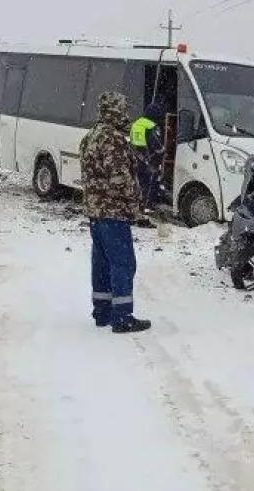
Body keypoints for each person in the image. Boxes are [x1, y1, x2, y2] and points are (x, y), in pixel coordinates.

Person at [80, 91, 152, 334]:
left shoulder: (91, 136)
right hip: (113, 212)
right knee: (122, 263)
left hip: (95, 212)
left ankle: (102, 312)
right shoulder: (113, 139)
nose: (126, 113)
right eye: (123, 108)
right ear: (115, 110)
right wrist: (135, 207)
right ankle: (122, 316)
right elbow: (120, 179)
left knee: (101, 263)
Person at [130, 100, 166, 212]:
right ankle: (147, 205)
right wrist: (163, 150)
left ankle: (136, 205)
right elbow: (156, 143)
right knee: (150, 182)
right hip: (148, 159)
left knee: (137, 182)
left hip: (135, 157)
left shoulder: (136, 123)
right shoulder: (151, 126)